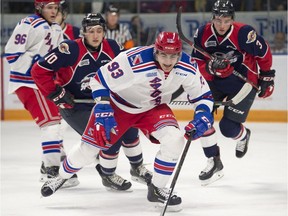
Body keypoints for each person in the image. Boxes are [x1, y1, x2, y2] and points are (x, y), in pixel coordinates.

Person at [40, 31, 214, 212]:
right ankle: (61, 176)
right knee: (88, 150)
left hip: (152, 108)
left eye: (173, 56)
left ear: (179, 54)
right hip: (118, 107)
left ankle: (157, 189)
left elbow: (203, 95)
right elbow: (99, 80)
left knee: (175, 139)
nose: (168, 61)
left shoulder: (187, 65)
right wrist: (103, 106)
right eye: (163, 54)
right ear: (155, 51)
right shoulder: (133, 60)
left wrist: (203, 113)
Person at [31, 13, 152, 191]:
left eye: (99, 31)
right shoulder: (70, 49)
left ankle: (137, 168)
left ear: (104, 32)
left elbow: (130, 70)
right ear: (83, 33)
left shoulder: (112, 46)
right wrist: (56, 92)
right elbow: (38, 70)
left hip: (103, 103)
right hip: (75, 106)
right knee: (107, 134)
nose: (95, 35)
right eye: (90, 31)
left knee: (131, 129)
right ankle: (108, 175)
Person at [190, 0, 275, 184]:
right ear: (212, 18)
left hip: (242, 83)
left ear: (232, 20)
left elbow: (264, 53)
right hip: (214, 81)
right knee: (202, 119)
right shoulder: (203, 33)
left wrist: (267, 77)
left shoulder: (245, 33)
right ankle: (214, 161)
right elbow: (195, 62)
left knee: (228, 128)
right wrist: (211, 68)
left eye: (226, 20)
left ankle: (244, 135)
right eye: (218, 20)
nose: (222, 25)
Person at [4, 0, 79, 188]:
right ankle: (51, 170)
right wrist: (35, 60)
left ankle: (54, 161)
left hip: (44, 83)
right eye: (49, 7)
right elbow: (11, 55)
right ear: (39, 8)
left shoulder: (55, 29)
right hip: (27, 82)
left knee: (59, 123)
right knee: (52, 124)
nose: (54, 11)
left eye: (56, 8)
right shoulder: (28, 24)